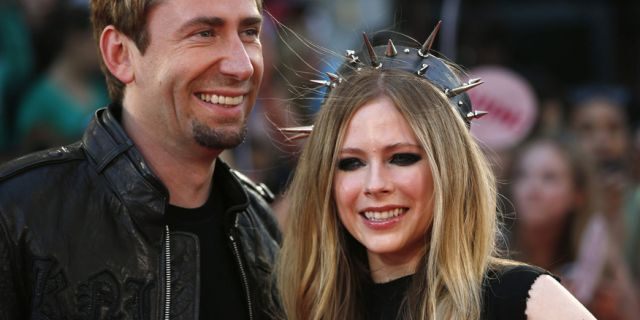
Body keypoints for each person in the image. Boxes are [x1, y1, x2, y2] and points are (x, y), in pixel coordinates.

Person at [275, 26, 595, 319]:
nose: (374, 185)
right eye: (350, 163)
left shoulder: (518, 298)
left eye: (401, 158)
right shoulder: (308, 307)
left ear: (450, 170)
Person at [0, 0, 281, 318]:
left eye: (249, 32)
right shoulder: (15, 218)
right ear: (120, 54)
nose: (242, 66)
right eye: (204, 33)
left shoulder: (263, 229)